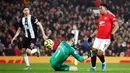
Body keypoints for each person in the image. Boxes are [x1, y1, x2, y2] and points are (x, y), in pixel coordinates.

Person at [88, 4, 119, 71]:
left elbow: (116, 26)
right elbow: (97, 29)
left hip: (106, 39)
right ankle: (93, 67)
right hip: (98, 38)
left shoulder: (110, 16)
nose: (99, 10)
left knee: (99, 53)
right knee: (93, 51)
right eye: (99, 9)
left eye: (101, 8)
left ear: (105, 9)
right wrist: (91, 36)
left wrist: (112, 34)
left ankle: (104, 63)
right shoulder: (100, 18)